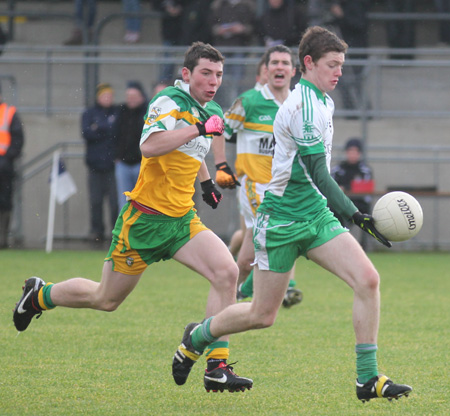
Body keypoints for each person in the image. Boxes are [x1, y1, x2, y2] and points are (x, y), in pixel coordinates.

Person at [174, 27, 413, 402]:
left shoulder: (324, 101)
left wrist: (345, 214)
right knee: (261, 315)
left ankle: (367, 379)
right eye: (332, 64)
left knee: (367, 279)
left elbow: (318, 179)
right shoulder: (301, 106)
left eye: (342, 65)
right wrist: (356, 214)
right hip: (282, 220)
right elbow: (318, 171)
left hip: (315, 214)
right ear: (309, 63)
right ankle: (198, 336)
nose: (339, 72)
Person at [13, 42, 252, 394]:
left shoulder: (210, 107)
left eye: (218, 74)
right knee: (105, 299)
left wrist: (205, 184)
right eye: (205, 73)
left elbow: (191, 149)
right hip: (143, 222)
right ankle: (39, 295)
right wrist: (199, 130)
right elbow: (151, 145)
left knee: (227, 273)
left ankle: (216, 366)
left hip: (181, 220)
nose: (213, 80)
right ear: (186, 74)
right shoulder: (167, 102)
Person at [215, 45, 302, 308]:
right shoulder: (250, 101)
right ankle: (284, 288)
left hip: (286, 189)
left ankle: (230, 292)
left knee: (246, 258)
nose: (279, 67)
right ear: (266, 70)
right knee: (278, 234)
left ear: (293, 71)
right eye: (274, 62)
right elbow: (218, 128)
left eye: (285, 63)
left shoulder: (298, 104)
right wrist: (221, 165)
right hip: (256, 186)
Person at [82, 83, 119, 242]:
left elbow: (116, 133)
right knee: (95, 201)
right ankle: (96, 232)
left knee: (115, 202)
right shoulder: (89, 113)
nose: (107, 99)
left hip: (112, 166)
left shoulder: (117, 112)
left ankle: (115, 231)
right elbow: (87, 133)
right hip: (95, 166)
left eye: (110, 96)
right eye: (104, 96)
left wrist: (99, 128)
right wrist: (106, 127)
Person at [209, 0, 257, 107]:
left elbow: (253, 28)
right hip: (221, 49)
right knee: (220, 81)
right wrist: (219, 30)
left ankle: (236, 107)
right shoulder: (218, 5)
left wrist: (242, 29)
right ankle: (221, 106)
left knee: (237, 81)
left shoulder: (247, 6)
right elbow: (211, 26)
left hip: (239, 48)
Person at [115, 80, 148, 208]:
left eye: (134, 97)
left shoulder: (146, 113)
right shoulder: (122, 112)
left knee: (142, 201)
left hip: (141, 164)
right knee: (124, 202)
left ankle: (141, 228)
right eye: (129, 97)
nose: (131, 100)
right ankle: (125, 227)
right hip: (123, 163)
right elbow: (115, 135)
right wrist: (117, 156)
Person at [0, 85, 24, 249]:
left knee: (4, 202)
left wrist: (6, 159)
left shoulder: (9, 112)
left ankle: (2, 239)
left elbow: (18, 139)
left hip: (3, 166)